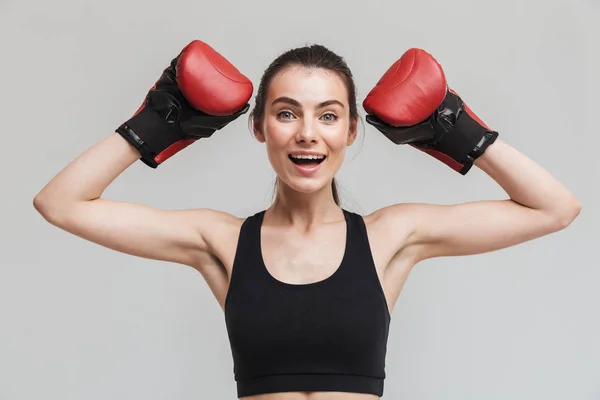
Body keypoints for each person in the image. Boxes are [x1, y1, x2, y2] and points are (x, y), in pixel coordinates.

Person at [33, 39, 581, 400]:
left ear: (350, 132)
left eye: (328, 116)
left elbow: (555, 207)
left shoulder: (391, 236)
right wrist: (162, 121)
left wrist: (454, 127)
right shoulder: (220, 240)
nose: (307, 134)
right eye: (287, 112)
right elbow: (61, 203)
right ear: (259, 128)